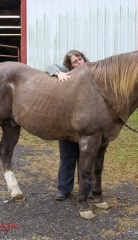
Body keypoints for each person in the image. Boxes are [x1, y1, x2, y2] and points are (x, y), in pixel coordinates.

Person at [46, 50, 92, 201]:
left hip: (88, 123)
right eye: (75, 61)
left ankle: (88, 189)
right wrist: (58, 73)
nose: (79, 63)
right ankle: (64, 189)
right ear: (69, 65)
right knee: (67, 157)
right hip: (68, 123)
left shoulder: (92, 70)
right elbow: (50, 66)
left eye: (80, 59)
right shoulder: (67, 72)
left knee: (87, 158)